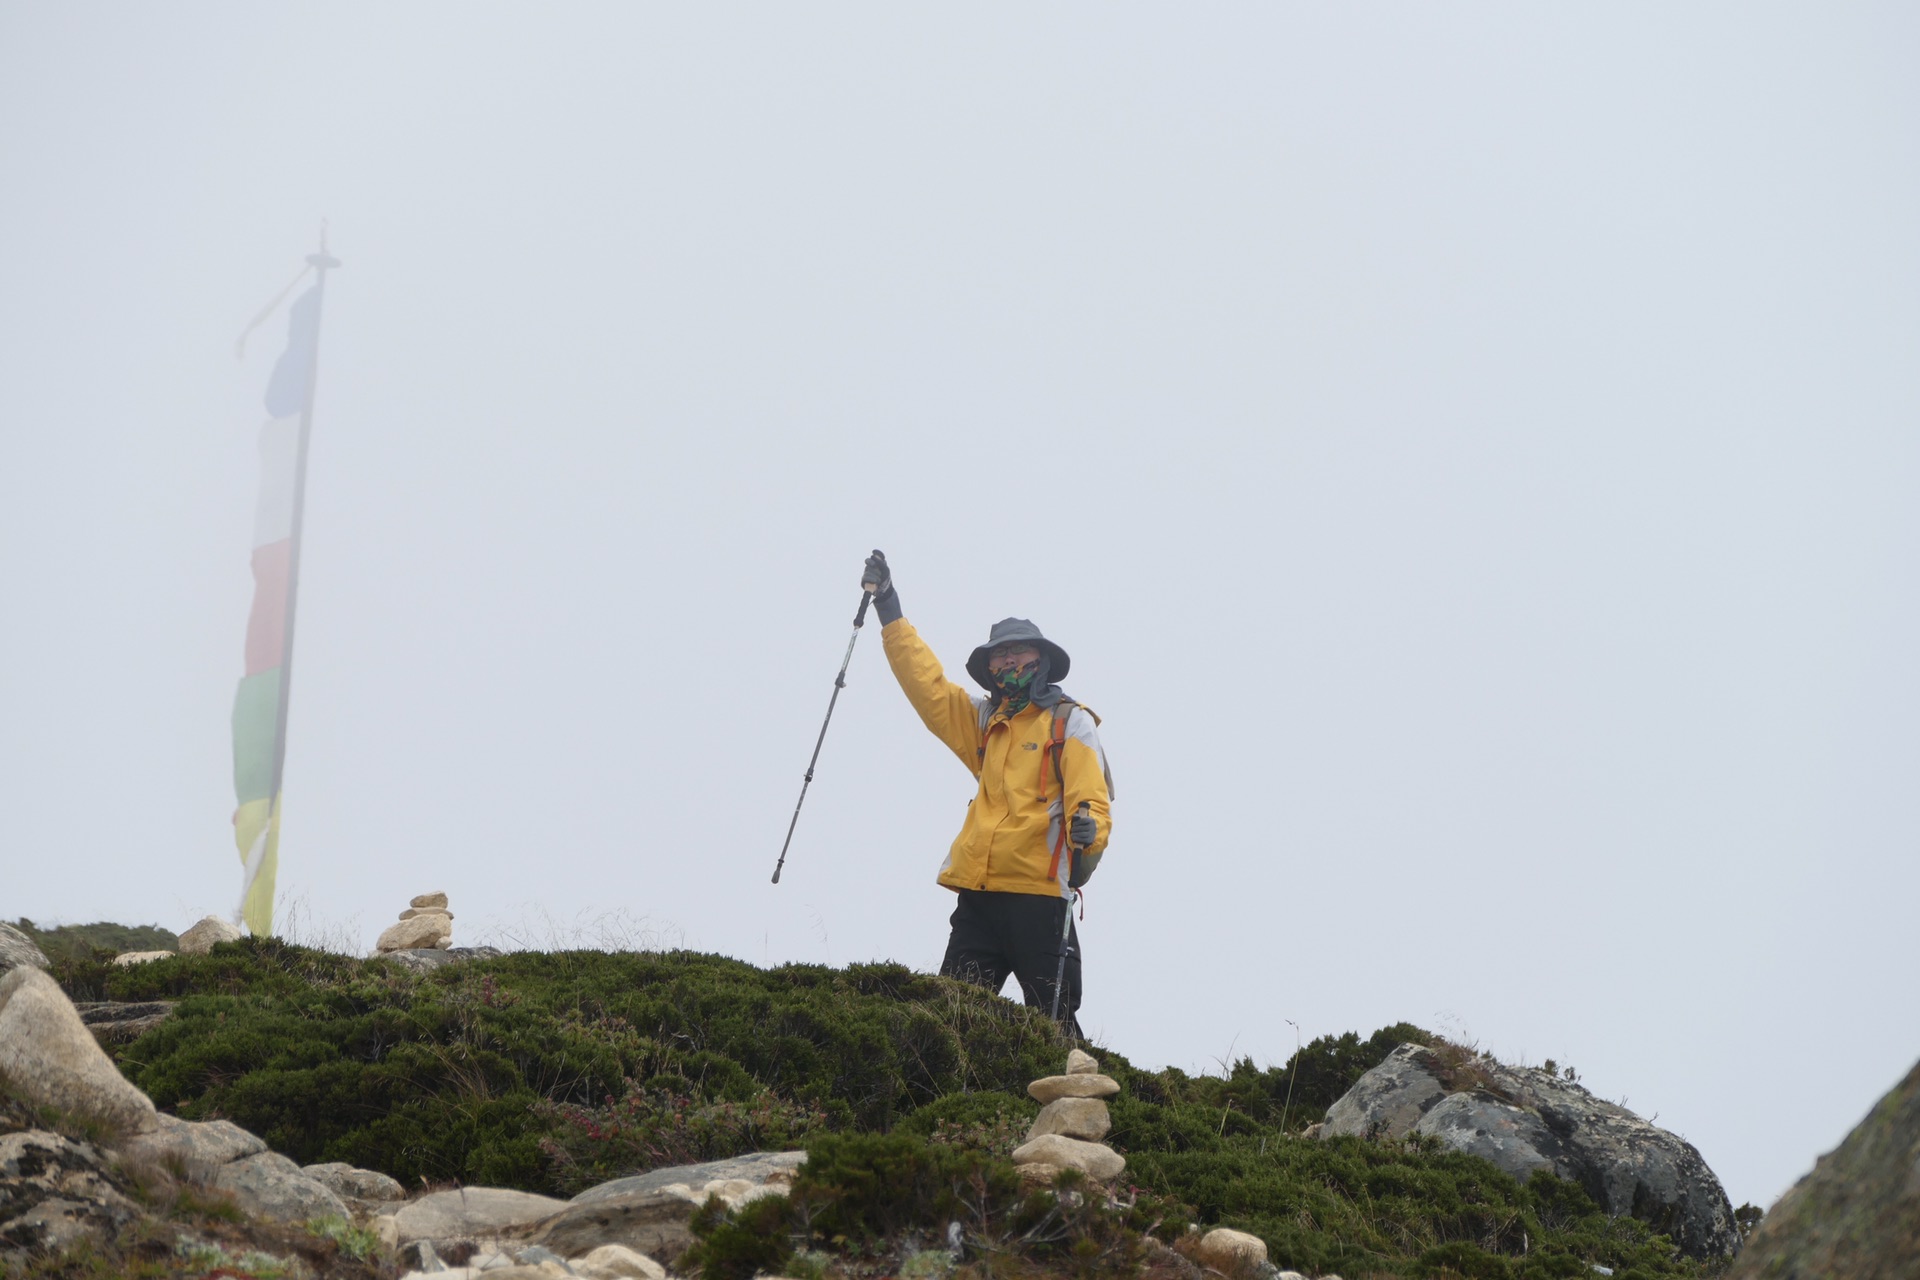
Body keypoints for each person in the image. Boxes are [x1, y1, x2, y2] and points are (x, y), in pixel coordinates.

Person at [860, 550, 1112, 1031]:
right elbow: (928, 687)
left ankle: (1088, 1106)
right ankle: (956, 1108)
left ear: (1041, 660)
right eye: (1000, 653)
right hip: (978, 896)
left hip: (1039, 897)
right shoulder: (984, 721)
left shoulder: (1069, 722)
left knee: (1055, 1026)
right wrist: (888, 607)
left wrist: (1091, 829)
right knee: (949, 1024)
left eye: (1018, 651)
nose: (1008, 659)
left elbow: (1092, 799)